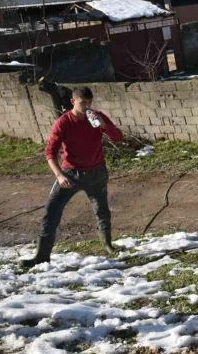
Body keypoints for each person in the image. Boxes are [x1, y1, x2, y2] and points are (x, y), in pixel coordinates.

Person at [20, 86, 124, 268]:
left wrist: (104, 125)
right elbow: (50, 153)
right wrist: (59, 175)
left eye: (89, 102)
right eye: (83, 103)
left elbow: (118, 138)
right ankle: (41, 256)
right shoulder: (63, 122)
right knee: (52, 211)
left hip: (97, 173)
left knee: (102, 210)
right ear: (73, 102)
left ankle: (108, 245)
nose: (87, 106)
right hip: (71, 174)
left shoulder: (96, 118)